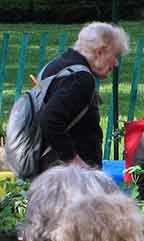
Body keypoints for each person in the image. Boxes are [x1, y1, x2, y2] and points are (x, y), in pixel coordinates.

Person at [37, 22, 129, 170]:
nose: (116, 63)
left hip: (49, 172)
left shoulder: (56, 66)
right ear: (100, 52)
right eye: (115, 55)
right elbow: (50, 119)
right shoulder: (81, 79)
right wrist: (74, 162)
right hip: (70, 180)